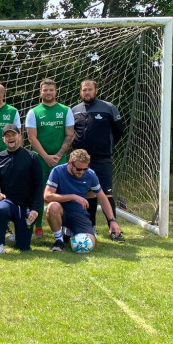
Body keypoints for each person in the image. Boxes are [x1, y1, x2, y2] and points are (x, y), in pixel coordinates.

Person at [72, 79, 125, 241]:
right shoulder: (74, 110)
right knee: (88, 194)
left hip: (102, 159)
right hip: (81, 161)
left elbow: (119, 131)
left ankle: (114, 230)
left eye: (89, 89)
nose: (87, 92)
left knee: (106, 193)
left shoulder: (108, 108)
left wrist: (104, 145)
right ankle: (90, 227)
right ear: (80, 92)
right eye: (84, 90)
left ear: (96, 91)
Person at [44, 148, 121, 252]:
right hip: (61, 212)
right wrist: (73, 196)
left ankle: (69, 232)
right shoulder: (57, 171)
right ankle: (59, 241)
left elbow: (102, 198)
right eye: (79, 169)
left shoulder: (90, 174)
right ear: (70, 163)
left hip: (79, 214)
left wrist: (112, 221)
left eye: (85, 169)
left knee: (90, 244)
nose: (82, 172)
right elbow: (47, 196)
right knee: (52, 206)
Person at [0, 125, 43, 256]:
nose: (10, 138)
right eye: (7, 136)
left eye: (13, 135)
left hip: (26, 208)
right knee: (2, 208)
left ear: (19, 136)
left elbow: (39, 186)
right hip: (8, 203)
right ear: (3, 139)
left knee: (24, 247)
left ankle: (18, 233)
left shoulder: (32, 157)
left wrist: (35, 209)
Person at [25, 77, 76, 226]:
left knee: (63, 193)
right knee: (38, 193)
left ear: (56, 91)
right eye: (45, 90)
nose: (48, 92)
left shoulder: (65, 110)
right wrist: (46, 157)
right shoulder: (33, 112)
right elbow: (31, 137)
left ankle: (66, 226)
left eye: (51, 90)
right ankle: (38, 226)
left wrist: (58, 155)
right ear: (40, 92)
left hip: (60, 160)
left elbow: (70, 134)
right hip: (39, 160)